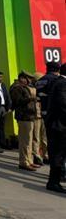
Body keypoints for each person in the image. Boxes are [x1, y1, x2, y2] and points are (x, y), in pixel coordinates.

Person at [10, 72, 39, 171]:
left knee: (29, 141)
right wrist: (31, 98)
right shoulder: (17, 88)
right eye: (27, 78)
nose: (29, 80)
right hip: (23, 117)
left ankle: (29, 160)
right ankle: (24, 162)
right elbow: (18, 101)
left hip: (29, 116)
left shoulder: (24, 87)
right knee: (24, 141)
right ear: (22, 78)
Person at [45, 62, 66, 193]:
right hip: (60, 126)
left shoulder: (58, 82)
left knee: (58, 155)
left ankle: (54, 181)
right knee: (58, 155)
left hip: (58, 125)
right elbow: (63, 104)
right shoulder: (62, 83)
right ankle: (53, 182)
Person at [36, 62, 61, 163]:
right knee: (59, 141)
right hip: (56, 114)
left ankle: (50, 158)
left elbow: (38, 97)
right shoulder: (56, 80)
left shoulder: (40, 81)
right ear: (57, 70)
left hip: (45, 113)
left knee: (49, 139)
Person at [31, 72, 45, 165]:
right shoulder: (31, 89)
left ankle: (45, 154)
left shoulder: (44, 89)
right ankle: (36, 156)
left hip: (43, 114)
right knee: (36, 137)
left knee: (45, 137)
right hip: (36, 115)